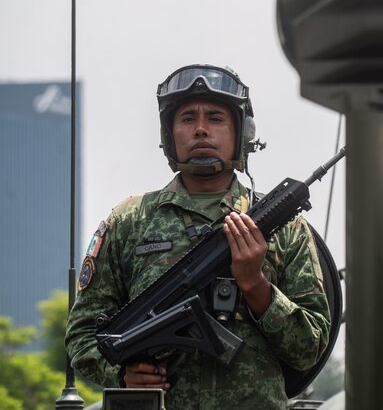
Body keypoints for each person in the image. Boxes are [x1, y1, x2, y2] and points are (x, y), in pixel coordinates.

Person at [66, 64, 331, 408]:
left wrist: (256, 286)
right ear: (169, 134)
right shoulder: (129, 222)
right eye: (188, 118)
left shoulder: (284, 228)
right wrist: (122, 375)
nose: (202, 129)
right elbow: (82, 335)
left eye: (216, 118)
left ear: (241, 134)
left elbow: (309, 348)